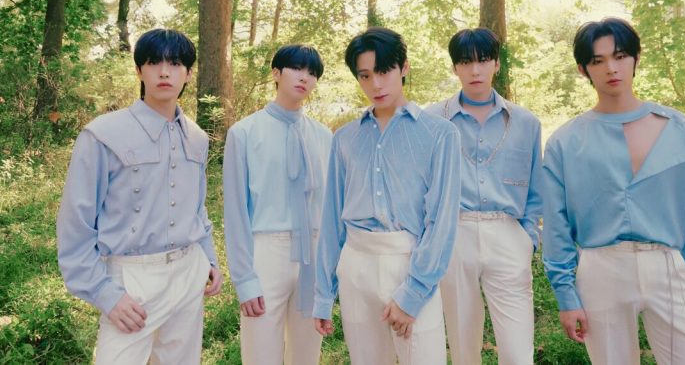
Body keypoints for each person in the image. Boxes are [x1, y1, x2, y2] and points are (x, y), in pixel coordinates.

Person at [542, 17, 685, 365]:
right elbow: (556, 226)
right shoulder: (565, 143)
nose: (611, 68)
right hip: (600, 269)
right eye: (598, 60)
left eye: (620, 56)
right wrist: (566, 295)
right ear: (583, 70)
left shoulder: (680, 130)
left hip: (667, 265)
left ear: (636, 58)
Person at [56, 28, 222, 364]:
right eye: (154, 62)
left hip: (188, 273)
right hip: (130, 280)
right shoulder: (103, 134)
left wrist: (209, 258)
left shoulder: (197, 138)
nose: (164, 72)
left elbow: (196, 208)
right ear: (139, 70)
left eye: (175, 63)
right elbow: (75, 222)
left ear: (189, 73)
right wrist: (103, 292)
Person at [312, 27, 461, 364]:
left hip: (409, 262)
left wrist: (414, 293)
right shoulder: (345, 138)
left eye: (383, 71)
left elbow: (441, 220)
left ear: (403, 67)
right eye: (365, 75)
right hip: (356, 264)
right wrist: (323, 294)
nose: (375, 84)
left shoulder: (440, 134)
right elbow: (332, 218)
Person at [425, 27, 543, 365]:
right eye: (465, 62)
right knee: (464, 346)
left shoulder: (525, 122)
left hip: (508, 232)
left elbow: (536, 188)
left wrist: (527, 238)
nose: (475, 70)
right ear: (455, 68)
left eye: (484, 60)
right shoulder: (431, 119)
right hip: (454, 234)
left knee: (518, 350)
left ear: (497, 64)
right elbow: (420, 184)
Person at [223, 44, 331, 365]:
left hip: (312, 254)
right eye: (297, 68)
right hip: (266, 253)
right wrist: (244, 279)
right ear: (276, 73)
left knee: (306, 355)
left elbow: (330, 211)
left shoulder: (324, 136)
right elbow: (236, 212)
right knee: (260, 355)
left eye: (312, 73)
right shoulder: (244, 133)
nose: (304, 77)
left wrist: (328, 277)